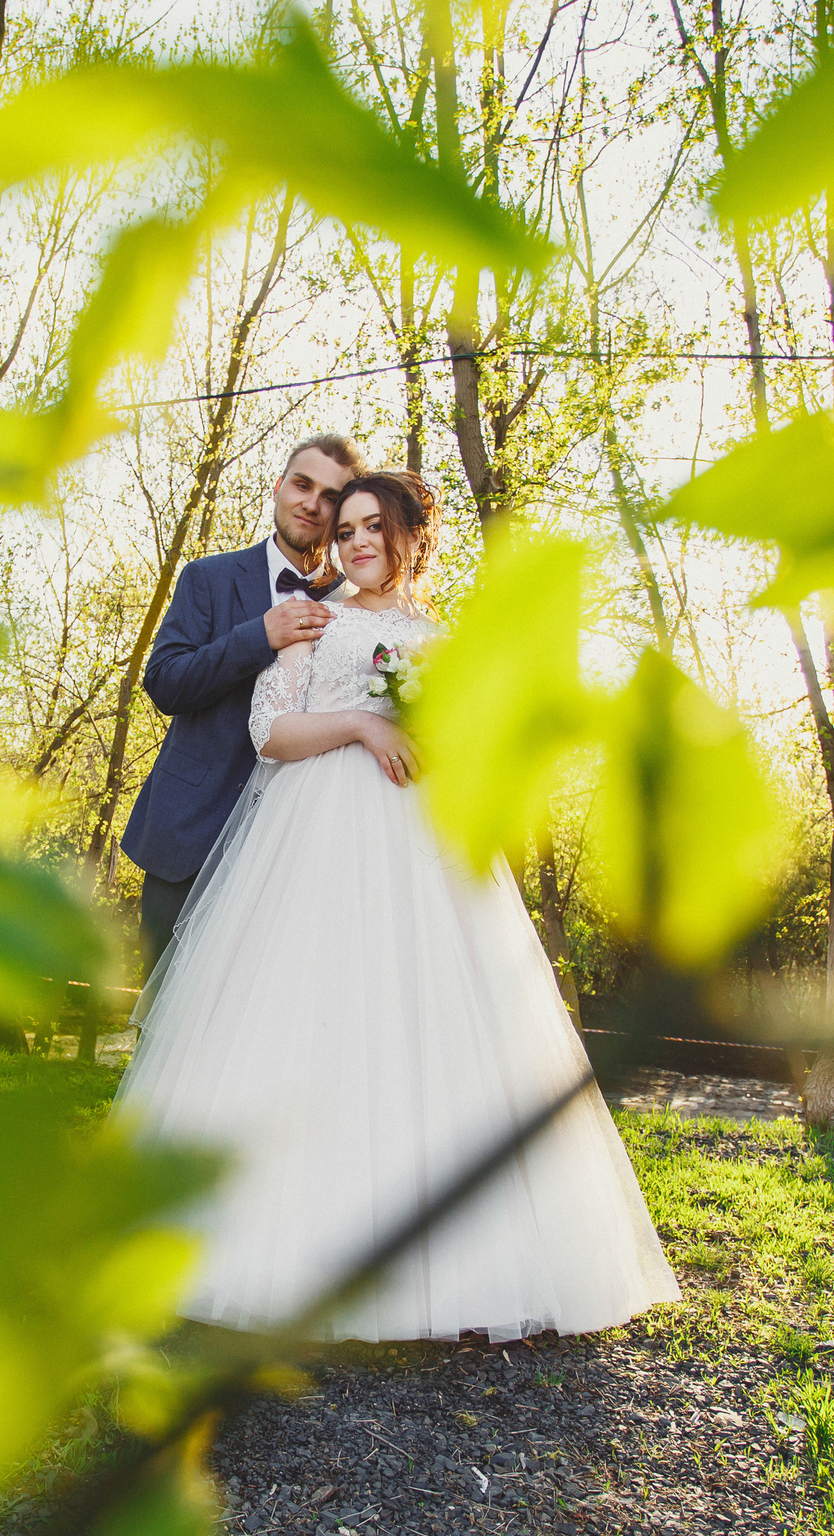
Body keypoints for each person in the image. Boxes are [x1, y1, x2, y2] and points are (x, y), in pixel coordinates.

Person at [117, 470, 679, 1343]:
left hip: (422, 847)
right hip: (311, 840)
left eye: (373, 527)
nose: (355, 543)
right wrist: (364, 725)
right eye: (345, 530)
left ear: (413, 535)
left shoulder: (443, 641)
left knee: (431, 1025)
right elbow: (271, 731)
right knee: (301, 1020)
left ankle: (447, 1256)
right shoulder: (314, 616)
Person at [121, 434, 380, 970]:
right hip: (191, 835)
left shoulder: (356, 603)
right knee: (163, 1016)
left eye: (330, 496)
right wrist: (258, 635)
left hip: (297, 849)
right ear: (278, 487)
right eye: (302, 485)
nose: (311, 503)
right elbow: (165, 682)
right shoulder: (208, 579)